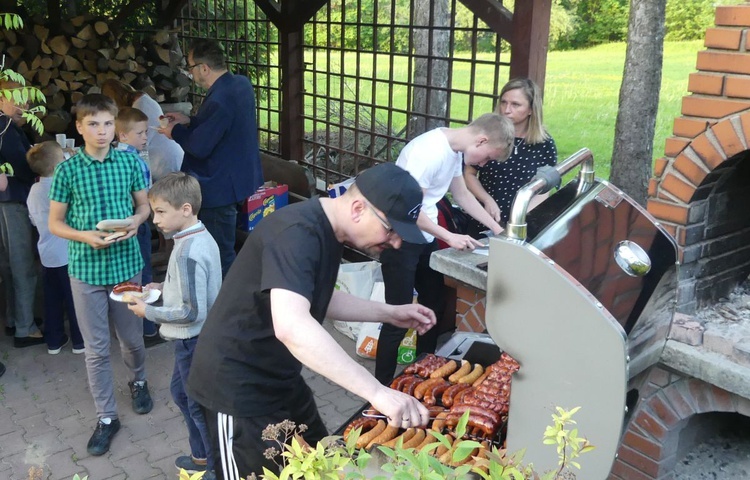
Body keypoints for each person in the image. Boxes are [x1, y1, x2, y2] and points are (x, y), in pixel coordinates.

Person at [186, 163, 437, 480]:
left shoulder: (330, 230)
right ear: (358, 208)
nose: (397, 243)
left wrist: (389, 312)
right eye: (392, 231)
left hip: (282, 382)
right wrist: (377, 392)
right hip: (237, 391)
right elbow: (291, 326)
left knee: (327, 465)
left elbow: (314, 296)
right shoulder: (298, 233)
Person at [48, 94, 153, 457]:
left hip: (126, 264)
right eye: (93, 124)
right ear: (79, 128)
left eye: (108, 123)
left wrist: (135, 223)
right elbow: (54, 223)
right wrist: (85, 236)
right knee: (95, 350)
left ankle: (138, 380)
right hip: (86, 270)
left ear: (115, 125)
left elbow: (144, 206)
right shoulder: (67, 170)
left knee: (132, 340)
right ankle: (107, 417)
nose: (102, 131)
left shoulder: (130, 161)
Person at [375, 113, 514, 385]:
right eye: (487, 157)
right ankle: (378, 388)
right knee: (398, 317)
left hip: (424, 238)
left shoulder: (453, 151)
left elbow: (461, 195)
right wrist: (448, 236)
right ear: (481, 139)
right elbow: (408, 209)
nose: (485, 164)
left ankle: (421, 376)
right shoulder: (428, 151)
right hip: (400, 238)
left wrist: (499, 232)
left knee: (432, 307)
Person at [126, 172, 221, 479]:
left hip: (192, 340)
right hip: (194, 340)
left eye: (161, 212)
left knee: (196, 405)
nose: (155, 220)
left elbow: (191, 311)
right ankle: (202, 455)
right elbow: (191, 289)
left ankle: (215, 468)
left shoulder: (188, 253)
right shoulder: (195, 238)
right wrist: (161, 288)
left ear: (185, 210)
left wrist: (148, 312)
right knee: (181, 395)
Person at [159, 38, 263, 277]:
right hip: (238, 178)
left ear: (204, 68)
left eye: (191, 67)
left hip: (218, 187)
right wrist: (189, 121)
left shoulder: (218, 99)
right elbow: (221, 129)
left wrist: (173, 131)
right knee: (223, 248)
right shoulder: (240, 84)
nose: (191, 73)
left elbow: (200, 146)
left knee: (219, 253)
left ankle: (226, 307)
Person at [464, 78, 557, 235]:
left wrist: (521, 218)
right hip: (484, 215)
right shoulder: (488, 135)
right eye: (503, 102)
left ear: (531, 109)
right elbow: (468, 173)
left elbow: (544, 188)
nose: (506, 110)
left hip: (524, 220)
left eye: (515, 104)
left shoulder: (544, 144)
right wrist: (486, 200)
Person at [26, 141, 85, 355]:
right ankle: (80, 341)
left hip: (47, 253)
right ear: (56, 167)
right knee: (74, 298)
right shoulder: (60, 188)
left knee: (51, 298)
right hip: (67, 252)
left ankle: (54, 340)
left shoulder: (34, 190)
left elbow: (33, 220)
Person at [114, 106, 163, 345]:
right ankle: (148, 327)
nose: (145, 137)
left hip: (123, 221)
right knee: (143, 272)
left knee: (126, 273)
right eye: (140, 133)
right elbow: (143, 194)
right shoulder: (135, 160)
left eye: (146, 133)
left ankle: (127, 327)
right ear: (123, 135)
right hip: (139, 221)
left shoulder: (115, 156)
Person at [0, 80, 44, 347]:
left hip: (5, 200)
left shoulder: (8, 126)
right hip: (13, 201)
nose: (24, 107)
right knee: (23, 264)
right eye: (17, 100)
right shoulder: (5, 128)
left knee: (8, 263)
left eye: (26, 101)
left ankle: (14, 319)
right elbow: (24, 165)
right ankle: (25, 328)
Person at [101, 78, 184, 181]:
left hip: (163, 162)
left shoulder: (139, 107)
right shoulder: (142, 100)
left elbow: (134, 144)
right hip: (168, 156)